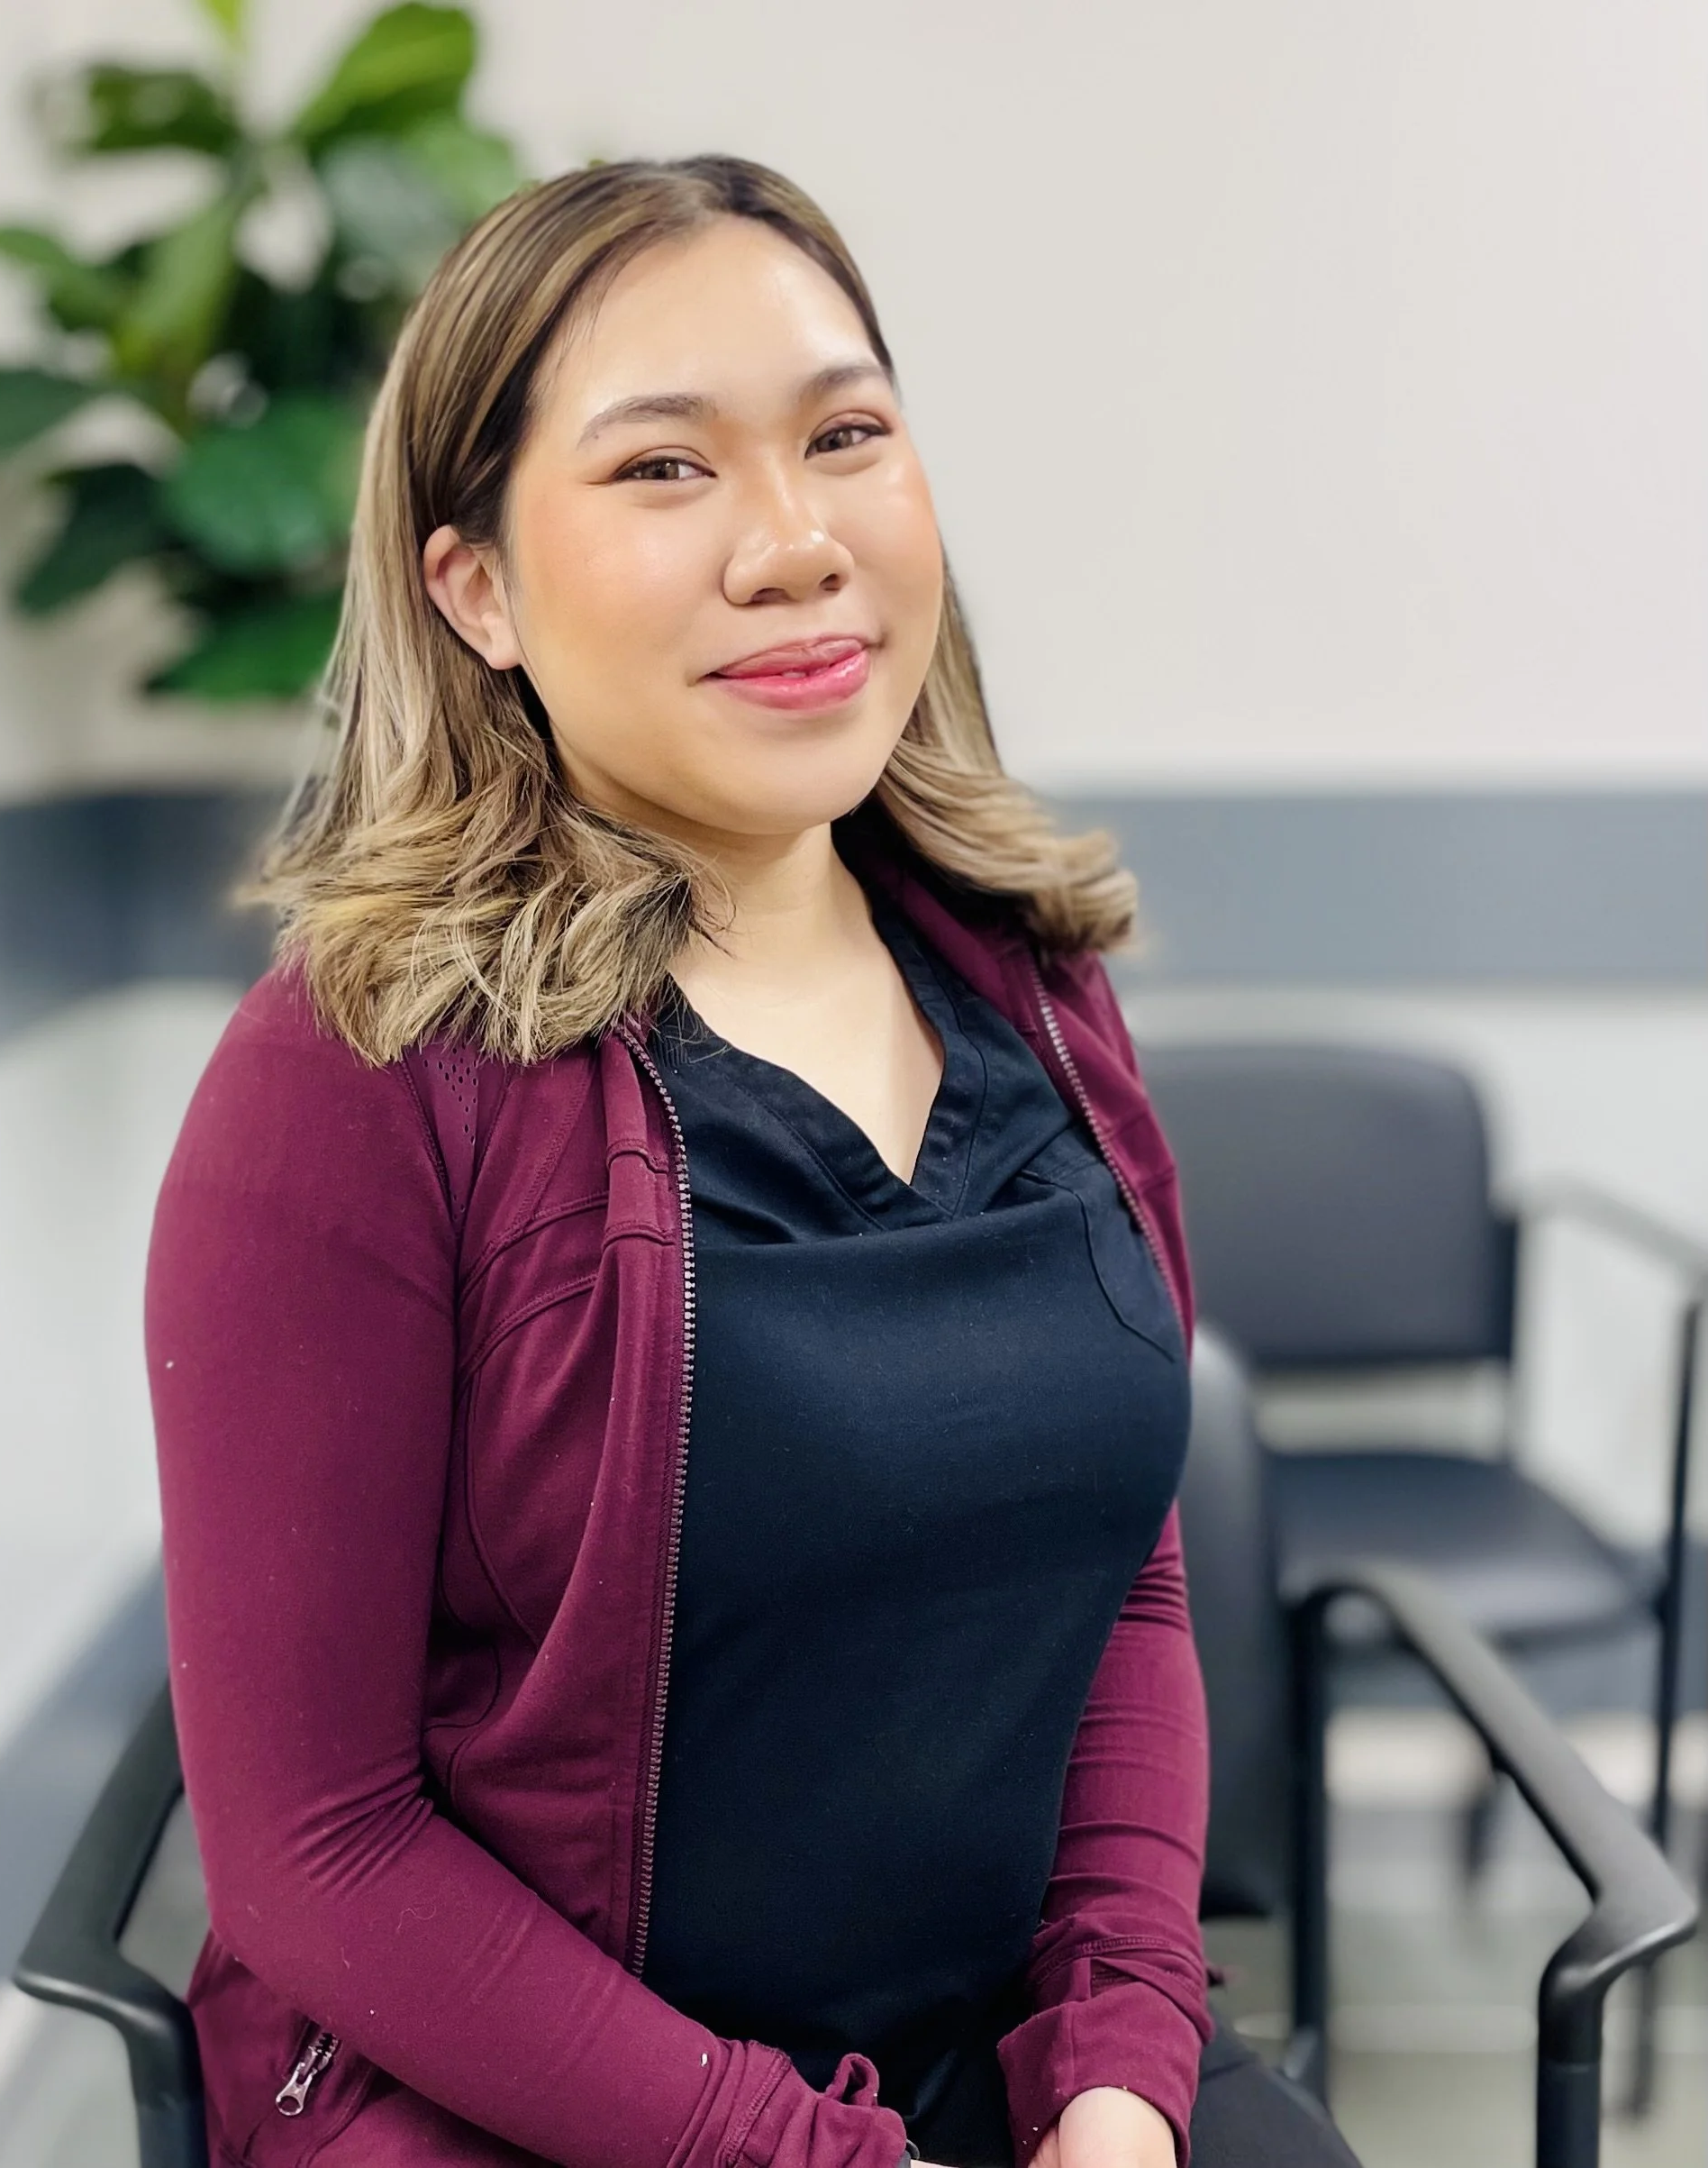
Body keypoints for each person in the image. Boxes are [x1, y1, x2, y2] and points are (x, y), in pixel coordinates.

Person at [146, 156, 1358, 2168]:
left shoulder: (1035, 993)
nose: (794, 544)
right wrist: (789, 2153)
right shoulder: (353, 1074)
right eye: (659, 471)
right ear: (476, 589)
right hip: (523, 2101)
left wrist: (1124, 2071)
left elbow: (1117, 1589)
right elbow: (312, 1850)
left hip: (992, 2048)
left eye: (844, 436)